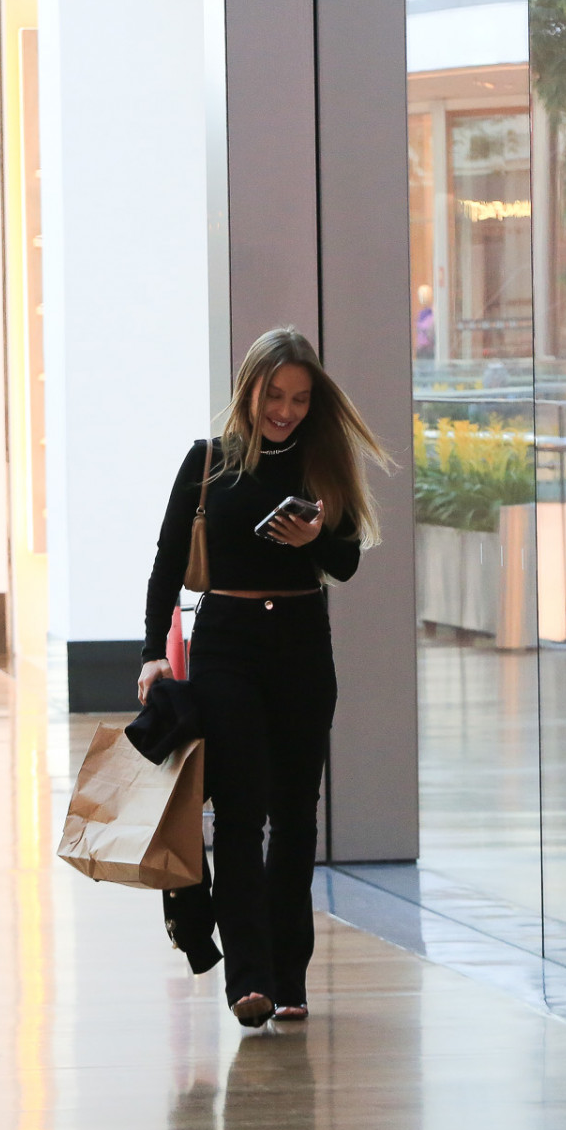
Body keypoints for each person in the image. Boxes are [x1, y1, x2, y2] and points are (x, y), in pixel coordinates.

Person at [138, 327, 392, 1027]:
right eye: (274, 394)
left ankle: (290, 978)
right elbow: (166, 563)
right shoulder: (208, 462)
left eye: (300, 398)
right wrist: (151, 652)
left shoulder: (321, 462)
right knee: (242, 814)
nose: (286, 409)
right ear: (249, 387)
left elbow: (344, 566)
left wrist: (321, 536)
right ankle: (246, 978)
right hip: (227, 645)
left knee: (295, 818)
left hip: (303, 645)